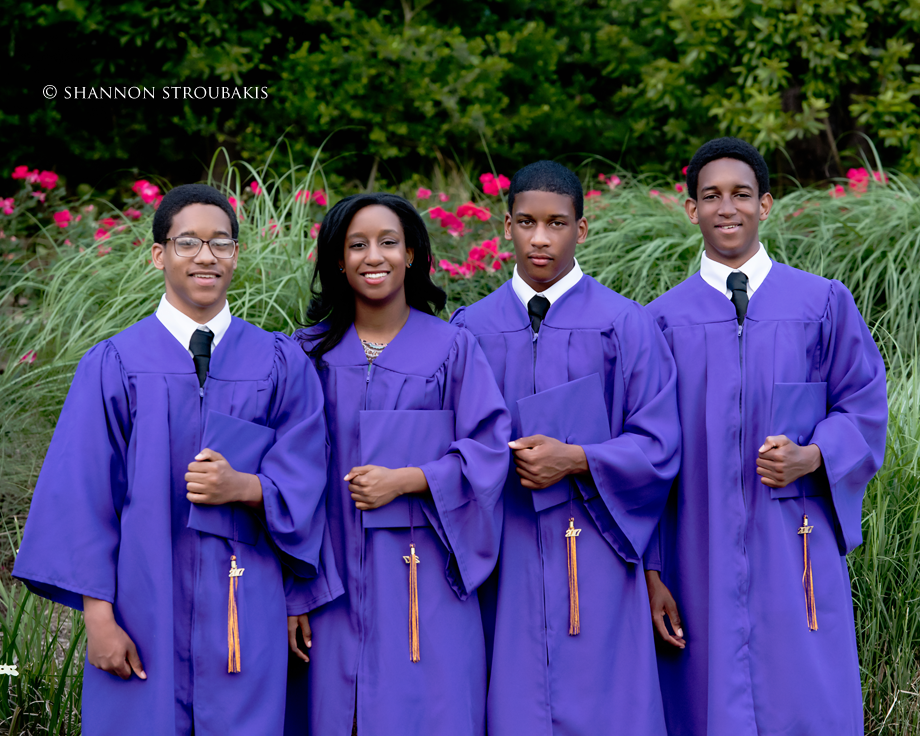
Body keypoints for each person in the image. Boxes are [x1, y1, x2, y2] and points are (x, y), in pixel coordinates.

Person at [13, 183, 330, 735]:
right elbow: (83, 495)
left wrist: (247, 488)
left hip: (246, 601)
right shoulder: (114, 363)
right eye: (188, 242)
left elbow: (308, 477)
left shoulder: (279, 362)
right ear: (159, 254)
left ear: (237, 253)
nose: (206, 256)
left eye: (221, 242)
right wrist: (99, 618)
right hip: (142, 605)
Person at [645, 137, 888, 735]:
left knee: (805, 695)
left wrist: (813, 454)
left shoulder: (821, 302)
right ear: (691, 208)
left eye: (742, 194)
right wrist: (652, 572)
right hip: (694, 551)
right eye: (711, 196)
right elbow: (643, 452)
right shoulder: (660, 320)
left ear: (767, 204)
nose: (727, 208)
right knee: (705, 698)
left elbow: (863, 403)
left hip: (792, 543)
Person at [452, 160, 681, 735]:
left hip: (601, 545)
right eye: (527, 222)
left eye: (556, 223)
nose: (540, 238)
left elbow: (658, 445)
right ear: (506, 225)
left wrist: (577, 459)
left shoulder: (624, 323)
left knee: (609, 705)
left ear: (581, 229)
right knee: (512, 701)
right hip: (507, 547)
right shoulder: (470, 328)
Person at [285, 193, 511, 736]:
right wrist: (296, 590)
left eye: (388, 242)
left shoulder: (453, 348)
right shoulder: (303, 356)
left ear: (411, 253)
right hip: (330, 583)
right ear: (337, 261)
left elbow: (489, 450)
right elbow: (284, 477)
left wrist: (408, 480)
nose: (373, 256)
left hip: (426, 578)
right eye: (356, 245)